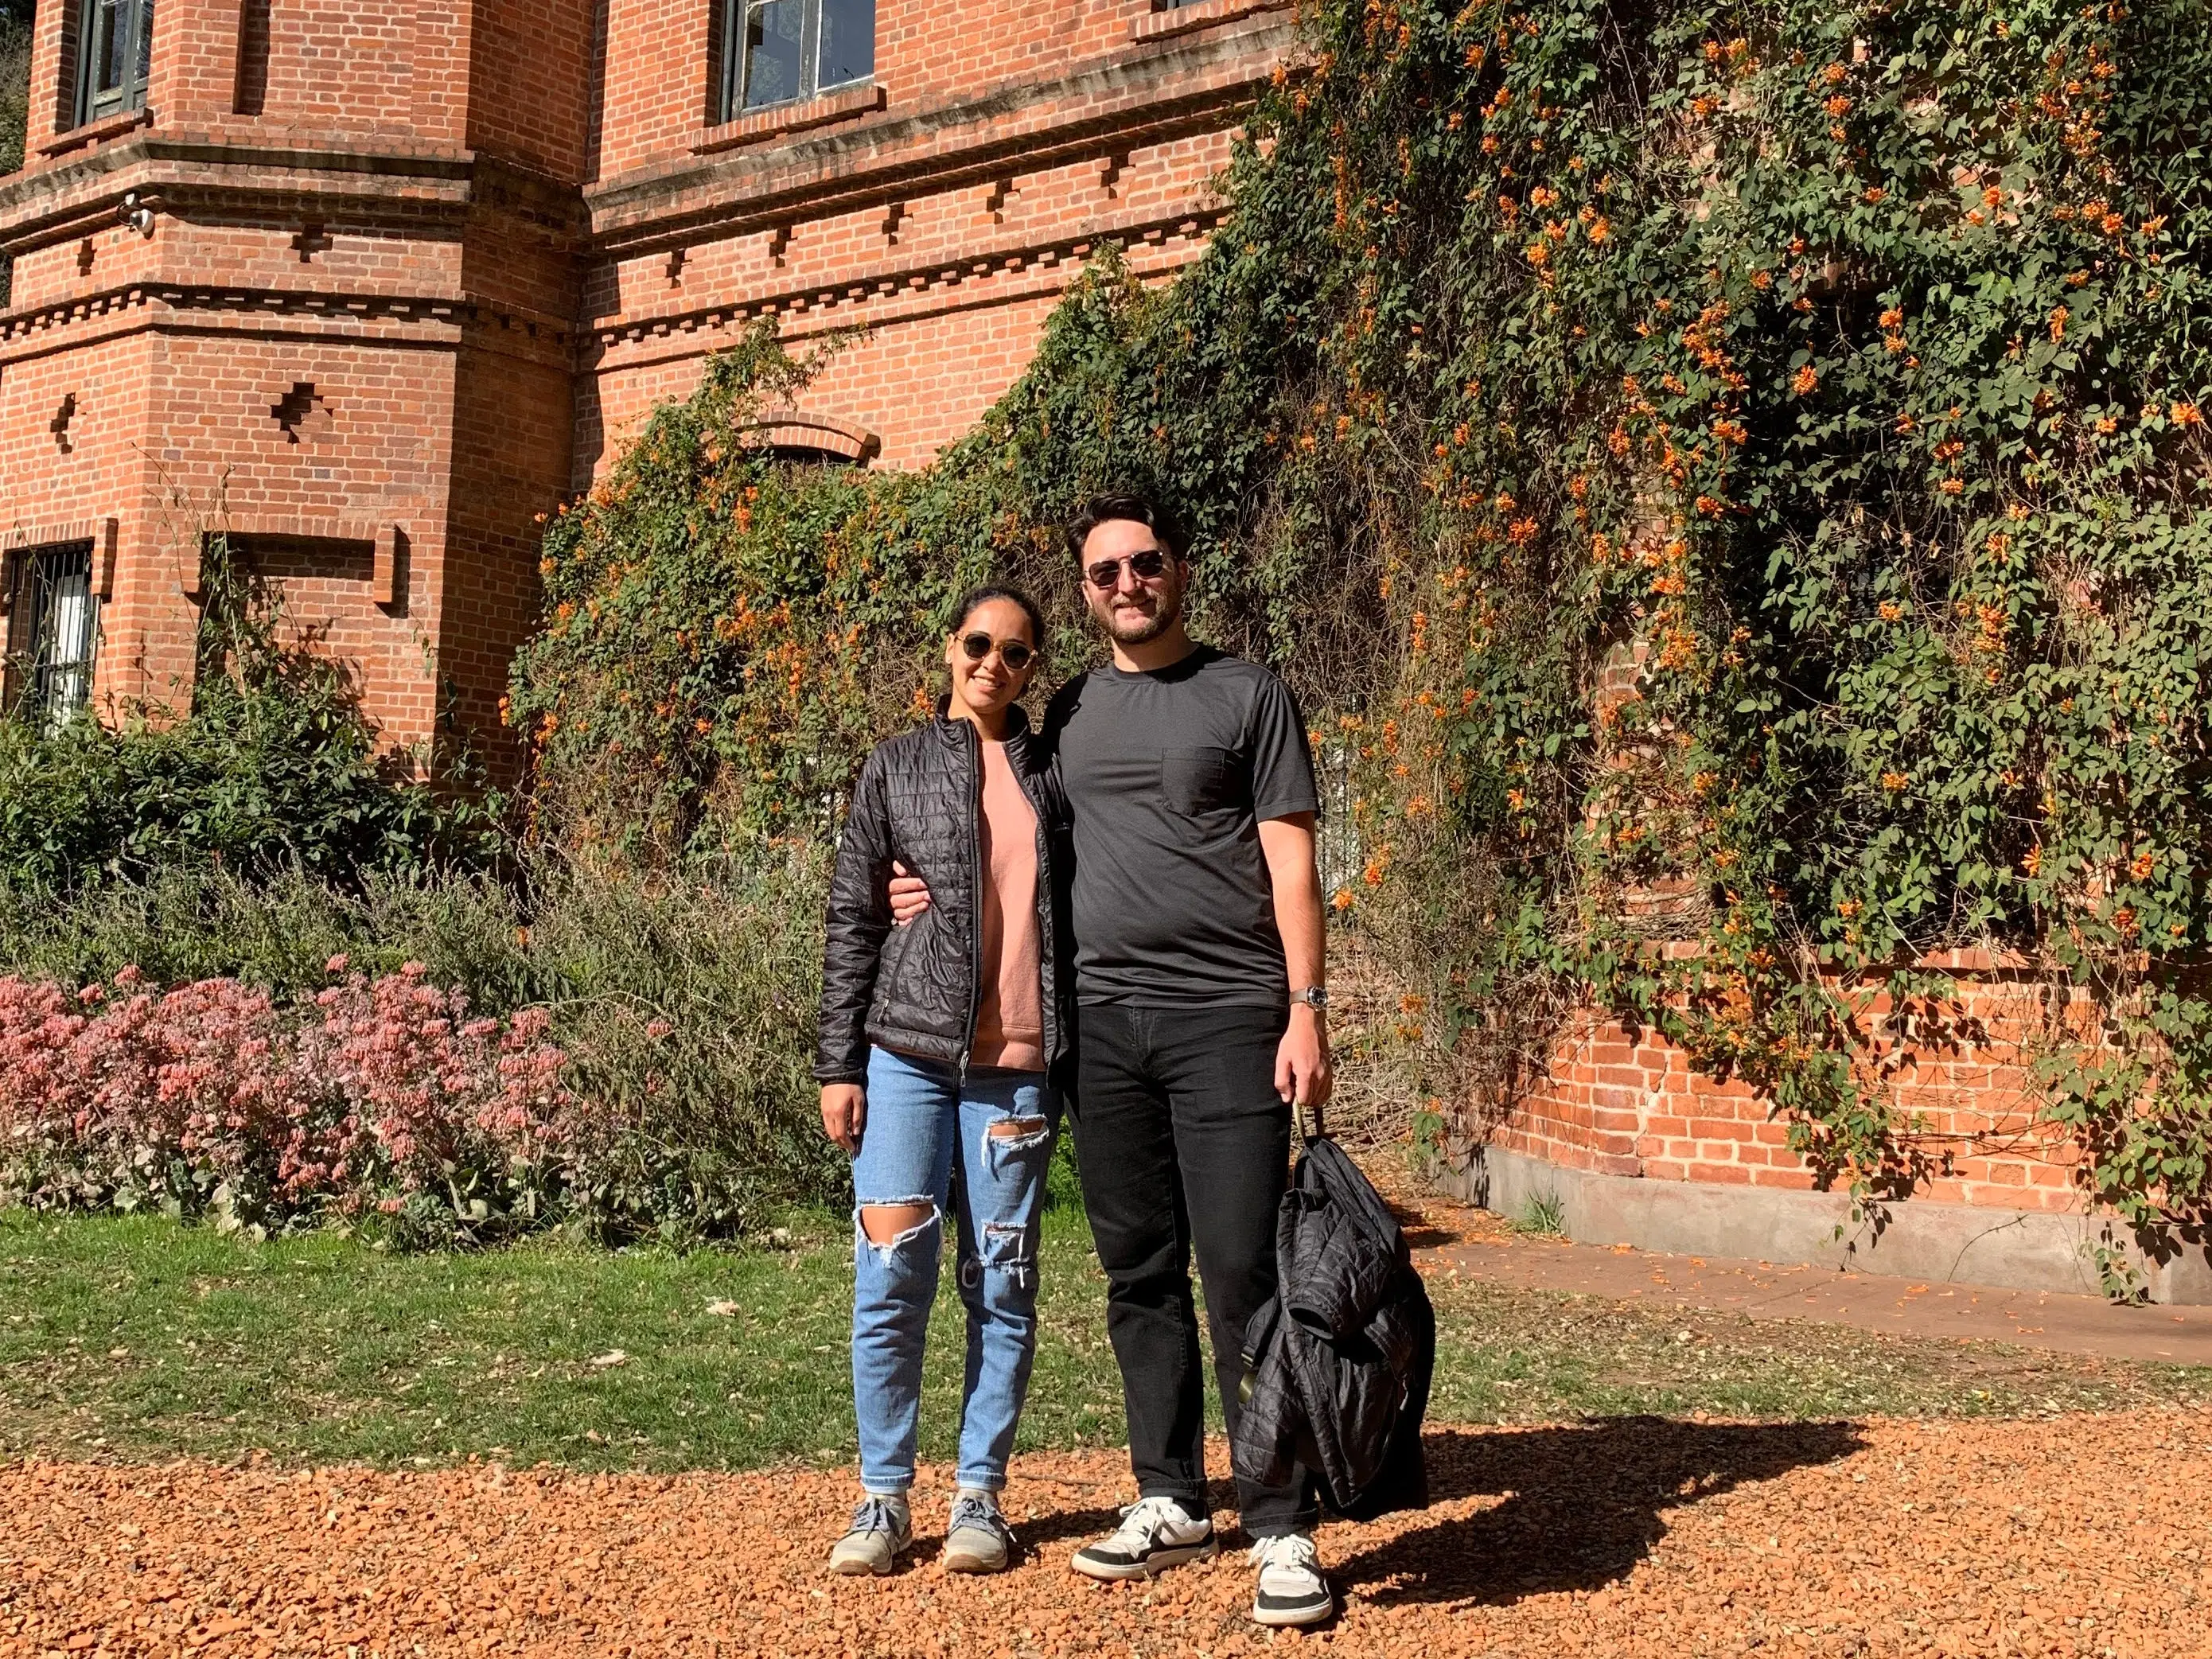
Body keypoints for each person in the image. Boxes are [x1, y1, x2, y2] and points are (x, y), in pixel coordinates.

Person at [890, 494, 1338, 1627]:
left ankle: (1281, 1521)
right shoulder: (1074, 708)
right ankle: (1173, 1496)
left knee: (1242, 1270)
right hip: (1101, 1030)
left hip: (1230, 1019)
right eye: (1103, 572)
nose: (1126, 583)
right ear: (1086, 592)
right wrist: (921, 890)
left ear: (1180, 569)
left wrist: (1307, 1009)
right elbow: (1002, 827)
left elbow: (1292, 867)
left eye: (1144, 563)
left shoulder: (1249, 695)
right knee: (1138, 1273)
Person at [813, 585, 1070, 1577]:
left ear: (1030, 668)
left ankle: (979, 1498)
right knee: (891, 1279)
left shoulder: (1053, 771)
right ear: (949, 649)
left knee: (1001, 1284)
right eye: (977, 644)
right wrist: (839, 1062)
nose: (992, 665)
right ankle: (882, 1498)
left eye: (1014, 653)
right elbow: (852, 919)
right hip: (907, 1055)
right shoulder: (898, 765)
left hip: (1018, 1072)